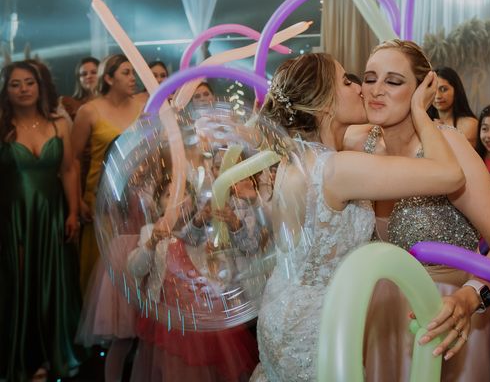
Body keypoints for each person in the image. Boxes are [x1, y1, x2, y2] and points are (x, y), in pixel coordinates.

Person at [250, 52, 466, 381]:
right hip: (317, 325)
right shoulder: (336, 168)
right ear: (324, 103)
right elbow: (450, 175)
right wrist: (421, 111)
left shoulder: (294, 160)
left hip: (283, 306)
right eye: (346, 81)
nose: (359, 88)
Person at [347, 40, 490, 381]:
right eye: (369, 78)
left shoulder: (450, 147)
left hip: (446, 316)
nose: (376, 90)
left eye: (394, 81)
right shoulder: (359, 143)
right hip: (381, 318)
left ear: (422, 89)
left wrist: (470, 299)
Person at [128, 178, 259, 381]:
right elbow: (136, 269)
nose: (178, 200)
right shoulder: (150, 231)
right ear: (158, 204)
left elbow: (195, 239)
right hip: (169, 317)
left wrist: (214, 222)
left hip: (202, 313)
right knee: (176, 370)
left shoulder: (201, 230)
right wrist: (151, 243)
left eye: (183, 193)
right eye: (169, 195)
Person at [0, 61, 83, 381]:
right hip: (13, 219)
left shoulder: (58, 124)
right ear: (6, 90)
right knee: (18, 286)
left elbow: (69, 169)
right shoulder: (2, 126)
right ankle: (22, 356)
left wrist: (73, 212)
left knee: (52, 284)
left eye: (29, 82)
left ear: (39, 86)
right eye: (15, 84)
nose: (23, 89)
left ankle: (51, 354)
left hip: (52, 216)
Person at [71, 53, 146, 380]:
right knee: (105, 283)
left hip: (142, 204)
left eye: (134, 72)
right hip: (103, 204)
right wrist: (75, 204)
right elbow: (72, 160)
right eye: (126, 72)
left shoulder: (146, 104)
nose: (133, 78)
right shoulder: (90, 111)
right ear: (108, 78)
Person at [428, 66, 478, 146]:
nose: (437, 96)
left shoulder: (470, 124)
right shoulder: (426, 122)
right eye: (433, 90)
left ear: (456, 90)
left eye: (443, 89)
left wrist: (441, 130)